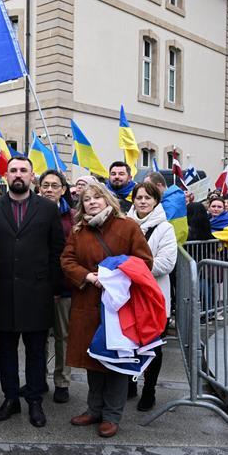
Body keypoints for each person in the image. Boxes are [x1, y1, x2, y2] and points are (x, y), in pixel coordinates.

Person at [61, 184, 153, 438]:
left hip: (118, 306)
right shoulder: (79, 231)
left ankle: (112, 415)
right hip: (88, 303)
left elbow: (144, 261)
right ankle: (94, 409)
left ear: (108, 199)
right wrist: (88, 276)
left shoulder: (128, 226)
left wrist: (114, 278)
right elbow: (67, 260)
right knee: (94, 358)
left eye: (96, 197)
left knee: (116, 360)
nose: (91, 202)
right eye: (86, 199)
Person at [0, 156, 65, 428]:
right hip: (3, 292)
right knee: (5, 349)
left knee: (36, 351)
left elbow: (57, 251)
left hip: (37, 292)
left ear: (32, 176)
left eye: (23, 171)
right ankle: (10, 399)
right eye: (13, 170)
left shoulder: (48, 209)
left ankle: (35, 400)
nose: (18, 175)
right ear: (6, 176)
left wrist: (54, 287)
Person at [126, 182, 177, 411]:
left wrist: (131, 267)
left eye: (148, 197)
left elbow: (166, 263)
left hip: (154, 297)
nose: (143, 201)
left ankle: (149, 390)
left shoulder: (165, 228)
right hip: (128, 296)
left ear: (156, 201)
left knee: (153, 348)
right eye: (139, 197)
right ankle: (129, 382)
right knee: (128, 344)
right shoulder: (124, 225)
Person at [38, 170, 75, 404]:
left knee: (64, 336)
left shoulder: (72, 217)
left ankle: (62, 382)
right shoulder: (32, 212)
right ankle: (38, 378)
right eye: (45, 185)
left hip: (64, 286)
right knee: (38, 336)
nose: (49, 189)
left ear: (63, 189)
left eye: (54, 185)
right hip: (38, 287)